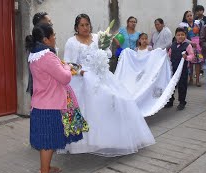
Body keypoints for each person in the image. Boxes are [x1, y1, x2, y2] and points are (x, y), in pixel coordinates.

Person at [61, 14, 155, 157]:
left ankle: (114, 138)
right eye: (82, 25)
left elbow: (108, 54)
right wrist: (81, 72)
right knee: (89, 109)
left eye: (87, 24)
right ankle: (87, 141)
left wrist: (103, 51)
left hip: (101, 74)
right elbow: (68, 63)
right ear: (76, 27)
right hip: (82, 78)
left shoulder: (97, 37)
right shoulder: (71, 42)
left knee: (116, 99)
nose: (85, 28)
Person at [26, 23, 83, 173]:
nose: (55, 37)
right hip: (50, 105)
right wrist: (66, 66)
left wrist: (62, 65)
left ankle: (46, 168)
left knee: (45, 140)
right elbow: (65, 78)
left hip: (40, 103)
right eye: (54, 35)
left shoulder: (34, 54)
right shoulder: (47, 56)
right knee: (48, 142)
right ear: (46, 39)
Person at [165, 27, 194, 110]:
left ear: (185, 36)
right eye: (178, 35)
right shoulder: (172, 45)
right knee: (171, 86)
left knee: (182, 86)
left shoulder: (187, 45)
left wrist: (186, 57)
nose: (180, 36)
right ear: (175, 36)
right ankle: (170, 101)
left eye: (182, 35)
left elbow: (192, 56)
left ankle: (182, 102)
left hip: (183, 70)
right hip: (173, 69)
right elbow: (169, 55)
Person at [27, 12, 53, 97]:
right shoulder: (35, 44)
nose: (51, 23)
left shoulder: (48, 38)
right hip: (42, 87)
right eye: (49, 21)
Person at [179, 10, 203, 87]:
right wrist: (191, 42)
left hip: (198, 45)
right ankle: (191, 78)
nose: (190, 17)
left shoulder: (198, 24)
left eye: (191, 15)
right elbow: (183, 37)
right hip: (188, 44)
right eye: (188, 16)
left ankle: (197, 80)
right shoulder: (183, 26)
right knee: (190, 62)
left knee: (198, 63)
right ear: (185, 18)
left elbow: (202, 33)